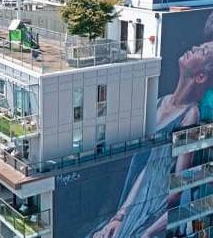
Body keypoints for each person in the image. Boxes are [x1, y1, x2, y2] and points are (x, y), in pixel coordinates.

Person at [90, 42, 213, 238]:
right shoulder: (160, 102)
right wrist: (120, 216)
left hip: (152, 208)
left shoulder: (191, 115)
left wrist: (146, 230)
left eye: (203, 51)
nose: (195, 47)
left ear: (201, 76)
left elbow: (178, 189)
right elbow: (148, 169)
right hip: (136, 200)